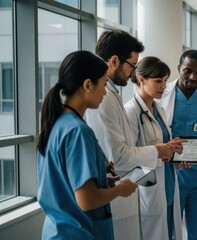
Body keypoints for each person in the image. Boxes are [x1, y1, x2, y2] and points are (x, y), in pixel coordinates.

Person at [84, 30, 180, 239]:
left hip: (134, 191)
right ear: (115, 60)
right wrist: (158, 151)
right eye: (132, 65)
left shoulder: (111, 96)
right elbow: (118, 157)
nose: (133, 72)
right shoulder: (104, 99)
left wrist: (167, 153)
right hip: (121, 197)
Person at [37, 51, 138, 239]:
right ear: (88, 85)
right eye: (104, 84)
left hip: (57, 229)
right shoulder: (78, 131)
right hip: (77, 232)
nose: (105, 92)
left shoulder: (57, 122)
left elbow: (63, 181)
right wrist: (120, 190)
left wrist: (100, 180)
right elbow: (86, 201)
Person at [158, 50, 197, 239]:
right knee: (170, 232)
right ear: (179, 68)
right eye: (187, 71)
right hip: (172, 176)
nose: (193, 77)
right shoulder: (162, 95)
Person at [124, 57, 185, 240]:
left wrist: (174, 154)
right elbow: (127, 156)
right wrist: (160, 150)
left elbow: (162, 147)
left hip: (167, 183)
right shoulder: (131, 112)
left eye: (166, 80)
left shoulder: (159, 109)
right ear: (141, 79)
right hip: (147, 189)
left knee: (170, 232)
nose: (164, 86)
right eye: (158, 81)